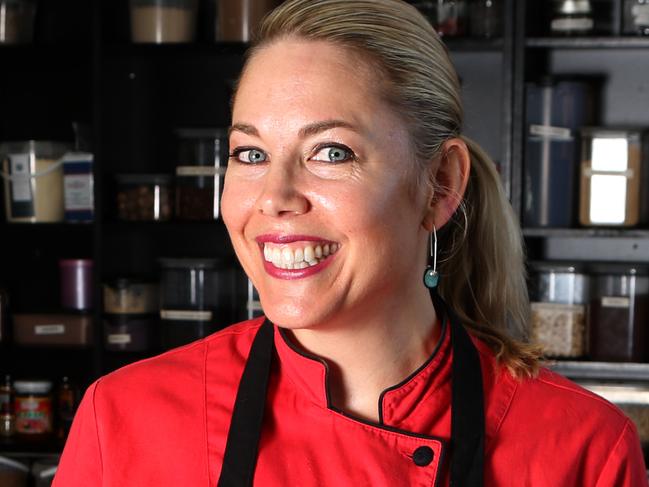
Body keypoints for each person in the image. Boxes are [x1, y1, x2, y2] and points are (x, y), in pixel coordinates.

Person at [54, 1, 648, 485]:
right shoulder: (125, 420)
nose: (275, 197)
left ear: (440, 184)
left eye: (331, 152)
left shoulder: (582, 450)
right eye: (250, 154)